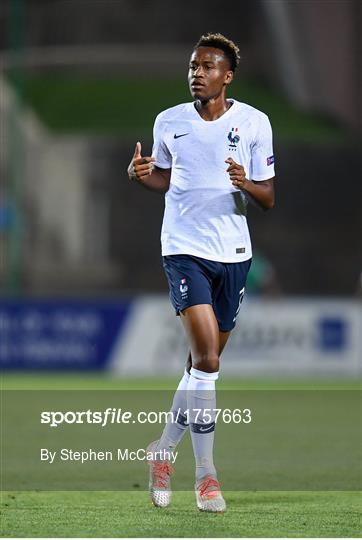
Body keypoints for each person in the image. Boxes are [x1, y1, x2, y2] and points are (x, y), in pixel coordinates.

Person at [127, 32, 275, 513]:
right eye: (193, 65)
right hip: (183, 248)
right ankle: (207, 477)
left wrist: (245, 182)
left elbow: (268, 195)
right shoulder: (169, 121)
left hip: (233, 252)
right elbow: (165, 177)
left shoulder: (254, 122)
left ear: (227, 76)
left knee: (199, 368)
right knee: (208, 360)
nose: (197, 73)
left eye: (208, 67)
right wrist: (141, 174)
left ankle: (162, 449)